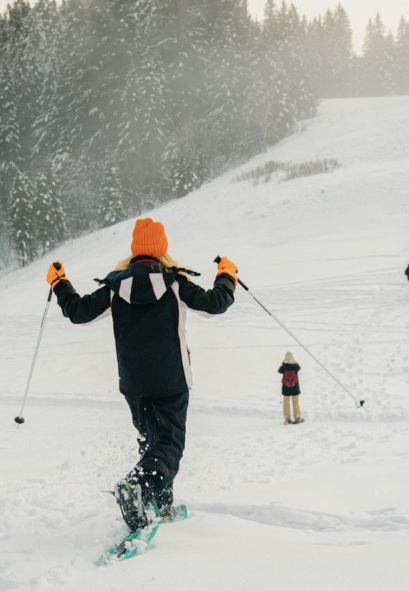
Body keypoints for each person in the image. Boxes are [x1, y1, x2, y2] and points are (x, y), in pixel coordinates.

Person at [48, 218, 238, 533]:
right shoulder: (175, 283)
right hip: (171, 378)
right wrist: (227, 274)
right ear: (161, 250)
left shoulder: (114, 287)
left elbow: (78, 312)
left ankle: (159, 505)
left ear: (135, 251)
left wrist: (59, 283)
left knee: (153, 441)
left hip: (133, 382)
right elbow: (216, 304)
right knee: (169, 443)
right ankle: (136, 488)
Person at [278, 352, 303, 425]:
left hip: (286, 387)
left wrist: (283, 363)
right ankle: (297, 417)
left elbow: (279, 371)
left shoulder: (284, 366)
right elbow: (299, 368)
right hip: (295, 387)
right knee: (295, 401)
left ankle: (287, 418)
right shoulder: (295, 366)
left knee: (286, 402)